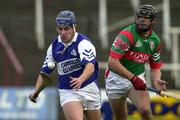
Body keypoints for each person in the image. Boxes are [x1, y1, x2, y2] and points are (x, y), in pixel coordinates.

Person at [29, 10, 101, 120]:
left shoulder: (83, 43)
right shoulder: (54, 47)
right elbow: (44, 72)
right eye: (60, 29)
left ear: (74, 27)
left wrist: (80, 79)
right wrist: (36, 92)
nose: (63, 32)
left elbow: (90, 66)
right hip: (68, 90)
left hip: (89, 87)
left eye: (66, 29)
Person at [105, 5, 167, 120]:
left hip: (137, 78)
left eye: (146, 18)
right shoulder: (127, 35)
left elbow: (155, 67)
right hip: (116, 78)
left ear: (153, 21)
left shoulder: (155, 41)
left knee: (145, 111)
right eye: (139, 17)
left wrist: (156, 80)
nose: (141, 20)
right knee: (120, 118)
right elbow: (112, 62)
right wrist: (133, 78)